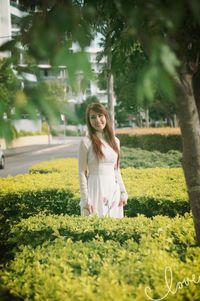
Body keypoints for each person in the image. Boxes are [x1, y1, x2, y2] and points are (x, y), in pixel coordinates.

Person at [78, 102, 128, 218]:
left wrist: (123, 192)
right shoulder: (86, 142)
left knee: (114, 229)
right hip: (95, 189)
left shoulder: (115, 141)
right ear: (89, 121)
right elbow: (82, 172)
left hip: (113, 190)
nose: (97, 120)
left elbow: (116, 169)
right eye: (93, 117)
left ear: (106, 117)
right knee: (95, 228)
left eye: (100, 115)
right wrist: (85, 199)